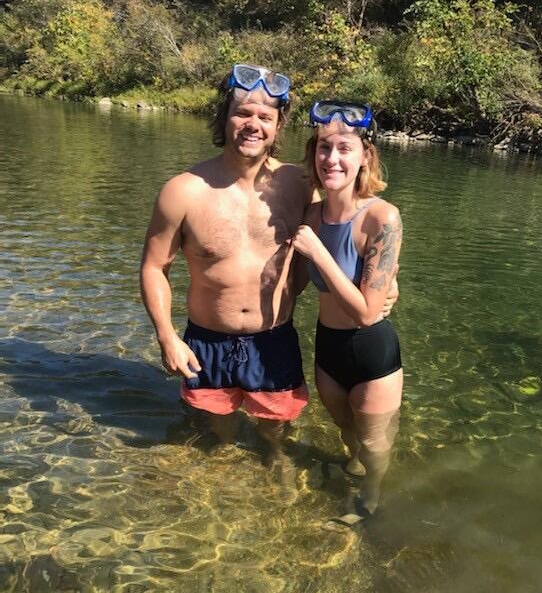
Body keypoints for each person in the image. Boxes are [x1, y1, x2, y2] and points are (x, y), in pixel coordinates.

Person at [140, 65, 398, 465]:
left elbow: (351, 224)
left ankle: (278, 474)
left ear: (279, 127)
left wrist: (389, 283)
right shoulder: (183, 191)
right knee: (216, 436)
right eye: (243, 112)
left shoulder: (299, 184)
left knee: (276, 436)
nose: (253, 125)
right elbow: (154, 267)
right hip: (207, 340)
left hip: (273, 338)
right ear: (224, 116)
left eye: (265, 117)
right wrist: (167, 337)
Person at [291, 100, 403, 524]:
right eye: (323, 147)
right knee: (346, 431)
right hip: (328, 347)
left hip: (371, 351)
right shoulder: (311, 214)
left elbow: (367, 313)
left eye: (344, 148)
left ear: (364, 157)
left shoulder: (381, 217)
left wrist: (319, 253)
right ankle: (354, 464)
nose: (332, 159)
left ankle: (372, 497)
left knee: (375, 446)